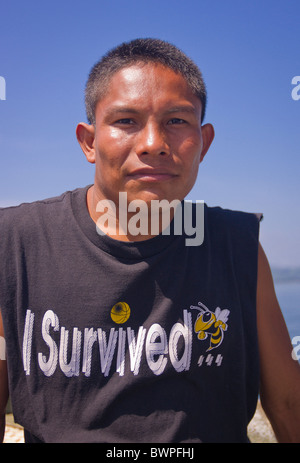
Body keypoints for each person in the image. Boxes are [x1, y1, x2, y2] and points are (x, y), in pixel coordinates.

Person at [0, 38, 299, 444]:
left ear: (204, 142)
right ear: (89, 141)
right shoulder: (17, 244)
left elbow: (286, 404)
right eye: (126, 121)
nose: (153, 143)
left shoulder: (237, 247)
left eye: (176, 121)